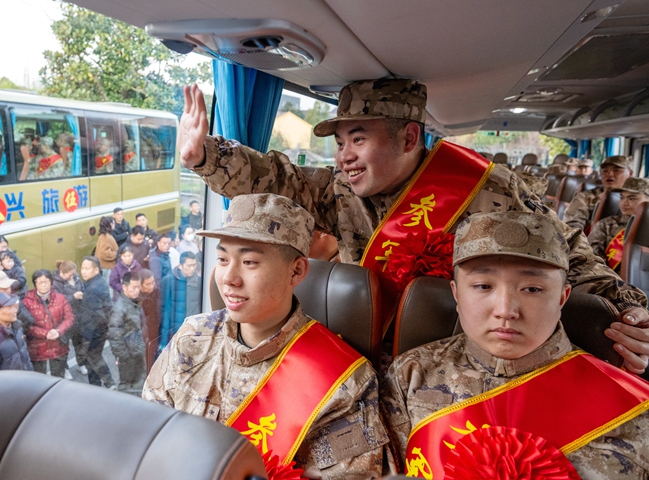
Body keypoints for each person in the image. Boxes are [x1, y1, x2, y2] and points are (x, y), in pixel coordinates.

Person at [178, 81, 649, 374]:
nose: (343, 156)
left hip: (459, 357)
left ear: (408, 137)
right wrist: (206, 156)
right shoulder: (340, 190)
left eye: (357, 139)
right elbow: (279, 178)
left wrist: (630, 310)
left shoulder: (487, 189)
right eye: (340, 142)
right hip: (365, 354)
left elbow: (567, 252)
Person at [382, 211, 649, 478]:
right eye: (483, 286)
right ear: (456, 294)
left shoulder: (632, 404)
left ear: (562, 298)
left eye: (532, 289)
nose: (506, 310)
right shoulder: (412, 374)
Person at [144, 194, 386, 478]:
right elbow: (148, 430)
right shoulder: (193, 336)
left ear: (296, 271)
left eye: (249, 262)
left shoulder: (344, 384)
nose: (229, 278)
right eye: (222, 259)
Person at [22, 270, 75, 377]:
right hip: (37, 347)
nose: (43, 284)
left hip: (58, 345)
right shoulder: (26, 301)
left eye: (46, 281)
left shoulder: (60, 298)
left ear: (51, 282)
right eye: (39, 282)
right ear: (35, 283)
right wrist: (45, 333)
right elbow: (26, 325)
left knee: (58, 377)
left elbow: (70, 317)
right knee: (38, 378)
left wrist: (58, 331)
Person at [589, 177, 649, 268]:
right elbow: (591, 257)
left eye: (632, 198)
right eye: (622, 197)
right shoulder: (606, 225)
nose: (624, 203)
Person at [563, 155, 633, 231]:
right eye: (605, 171)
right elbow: (572, 225)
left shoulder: (639, 199)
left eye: (616, 170)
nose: (609, 174)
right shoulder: (585, 197)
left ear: (630, 174)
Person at [78, 256, 116, 389]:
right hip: (101, 328)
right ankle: (96, 385)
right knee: (91, 359)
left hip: (94, 331)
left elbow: (94, 315)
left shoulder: (91, 289)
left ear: (96, 269)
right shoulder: (99, 281)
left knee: (93, 357)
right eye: (82, 268)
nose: (84, 271)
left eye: (87, 269)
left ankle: (108, 383)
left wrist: (87, 336)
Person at [109, 272, 146, 390]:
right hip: (129, 358)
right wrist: (124, 357)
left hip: (136, 353)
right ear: (124, 287)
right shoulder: (120, 309)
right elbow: (114, 336)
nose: (137, 290)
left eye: (138, 287)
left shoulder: (134, 301)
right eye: (133, 287)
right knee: (127, 386)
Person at [159, 251, 202, 349]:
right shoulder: (169, 280)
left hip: (193, 330)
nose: (192, 269)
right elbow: (163, 308)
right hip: (174, 329)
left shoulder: (199, 282)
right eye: (189, 265)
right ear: (180, 266)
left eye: (194, 265)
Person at [52, 260, 87, 376]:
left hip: (78, 316)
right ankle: (64, 368)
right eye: (70, 274)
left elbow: (82, 287)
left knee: (80, 343)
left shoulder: (76, 278)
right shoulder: (55, 283)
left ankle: (81, 363)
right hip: (64, 319)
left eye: (73, 274)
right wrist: (73, 297)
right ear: (62, 272)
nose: (72, 276)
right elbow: (57, 302)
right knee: (64, 345)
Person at [138, 269, 160, 372]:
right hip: (145, 335)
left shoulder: (158, 291)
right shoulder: (137, 299)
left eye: (153, 282)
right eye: (148, 284)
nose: (152, 286)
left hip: (157, 331)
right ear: (140, 285)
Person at [95, 216, 119, 292]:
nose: (115, 225)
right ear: (110, 224)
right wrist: (117, 254)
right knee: (109, 288)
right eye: (114, 223)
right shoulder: (106, 237)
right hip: (107, 268)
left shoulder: (103, 236)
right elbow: (104, 253)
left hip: (105, 267)